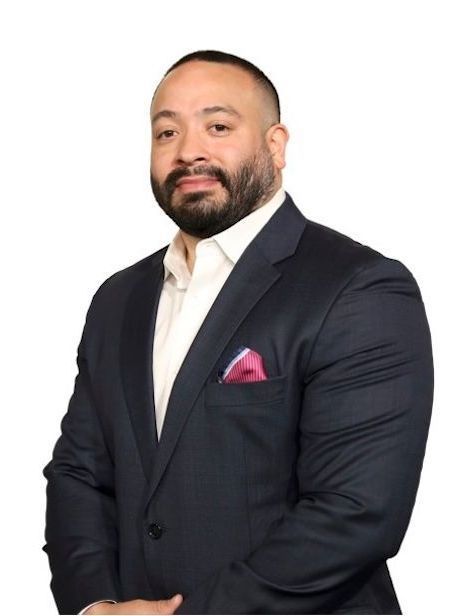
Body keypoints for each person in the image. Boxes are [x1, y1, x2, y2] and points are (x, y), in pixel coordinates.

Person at [42, 49, 434, 615]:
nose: (188, 150)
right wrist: (94, 605)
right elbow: (80, 472)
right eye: (166, 132)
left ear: (275, 146)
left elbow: (356, 511)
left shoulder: (359, 288)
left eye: (218, 126)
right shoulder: (117, 299)